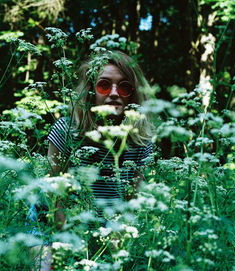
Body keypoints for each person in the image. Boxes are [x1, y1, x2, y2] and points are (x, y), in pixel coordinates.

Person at [30, 50, 154, 270]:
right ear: (90, 91)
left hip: (107, 226)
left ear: (133, 95)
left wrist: (109, 241)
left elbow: (131, 205)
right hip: (52, 222)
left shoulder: (141, 142)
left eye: (124, 87)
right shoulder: (68, 131)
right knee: (46, 266)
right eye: (104, 85)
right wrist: (73, 243)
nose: (114, 93)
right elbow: (53, 196)